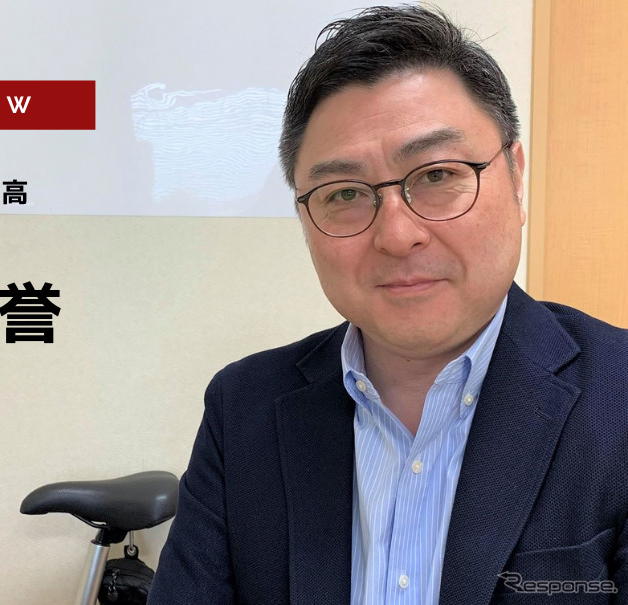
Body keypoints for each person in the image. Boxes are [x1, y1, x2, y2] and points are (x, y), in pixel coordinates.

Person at [147, 5, 628, 605]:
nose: (397, 235)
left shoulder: (619, 394)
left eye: (437, 175)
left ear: (516, 176)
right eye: (345, 193)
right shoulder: (243, 407)